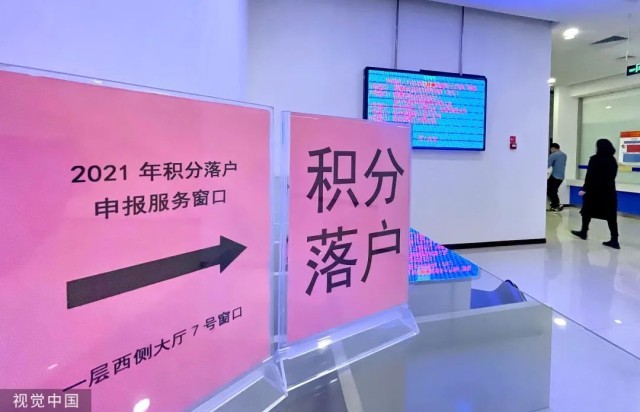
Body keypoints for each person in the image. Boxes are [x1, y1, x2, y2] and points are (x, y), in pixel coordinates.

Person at [571, 139, 620, 249]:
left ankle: (584, 232)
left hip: (594, 192)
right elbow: (611, 177)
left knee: (587, 211)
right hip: (608, 192)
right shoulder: (612, 160)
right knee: (611, 216)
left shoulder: (594, 159)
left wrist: (585, 189)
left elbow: (590, 176)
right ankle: (614, 239)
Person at [547, 143, 567, 212]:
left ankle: (556, 205)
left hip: (555, 175)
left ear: (553, 148)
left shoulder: (553, 155)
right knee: (554, 190)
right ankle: (554, 205)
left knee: (550, 190)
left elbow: (547, 164)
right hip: (561, 176)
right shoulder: (564, 155)